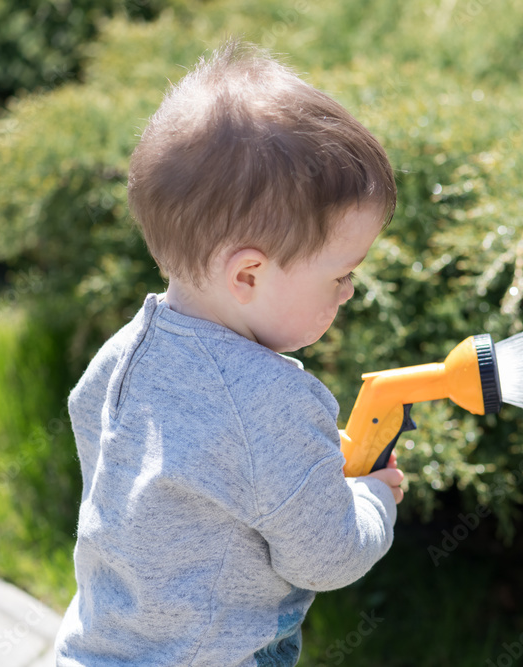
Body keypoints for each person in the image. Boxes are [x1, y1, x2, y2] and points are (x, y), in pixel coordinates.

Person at [55, 40, 404, 666]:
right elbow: (327, 556)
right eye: (341, 274)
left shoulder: (123, 355)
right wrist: (374, 498)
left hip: (102, 646)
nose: (351, 291)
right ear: (248, 274)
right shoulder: (269, 402)